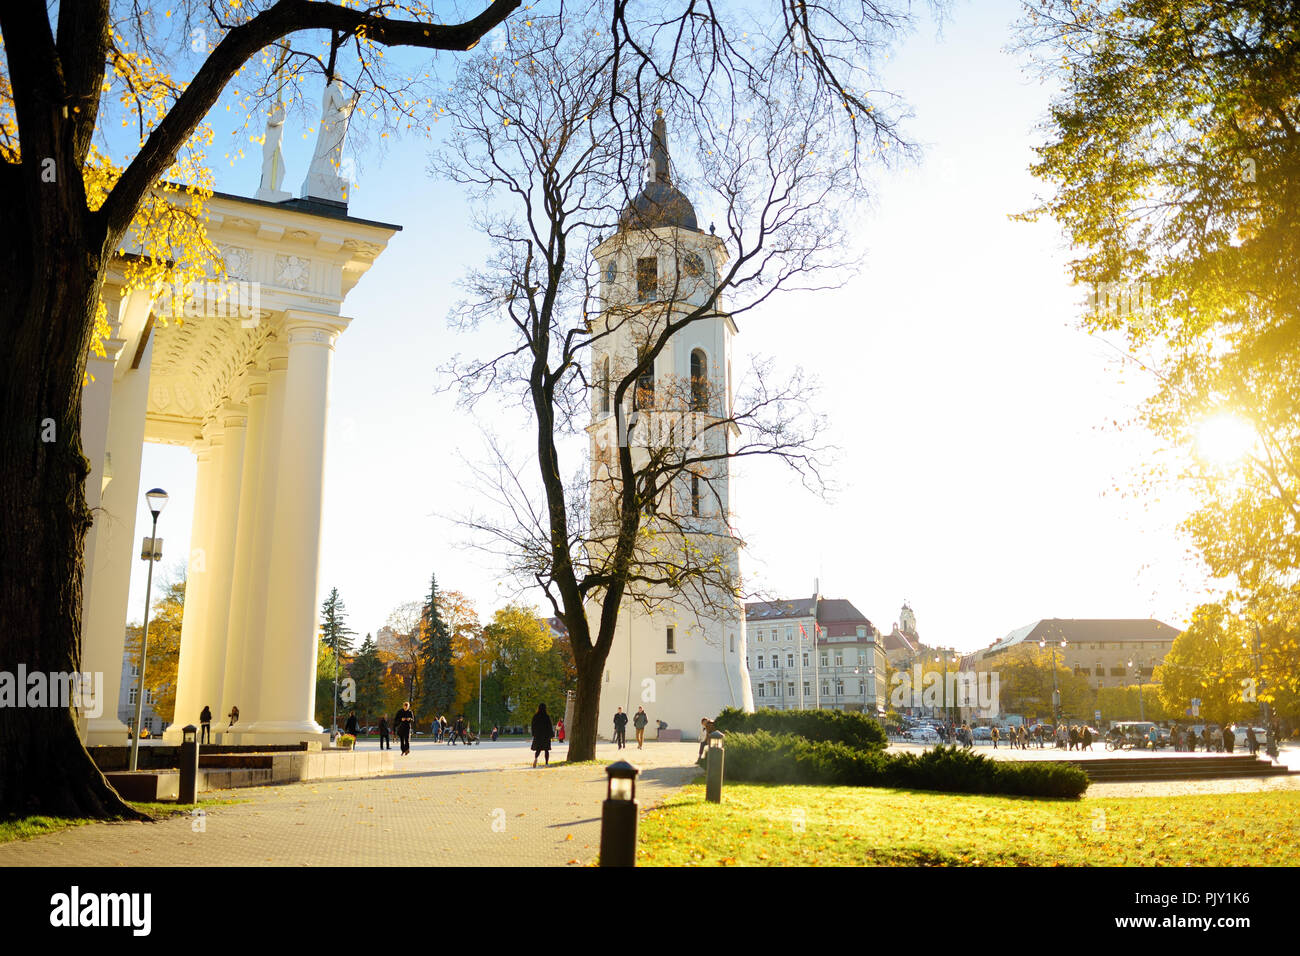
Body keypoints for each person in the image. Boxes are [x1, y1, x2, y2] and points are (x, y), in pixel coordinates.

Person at [531, 703, 554, 767]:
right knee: (546, 750)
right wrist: (551, 734)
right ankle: (546, 763)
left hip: (538, 735)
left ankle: (536, 758)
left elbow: (533, 725)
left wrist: (533, 734)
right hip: (546, 735)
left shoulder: (535, 716)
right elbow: (549, 726)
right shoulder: (546, 716)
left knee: (538, 749)